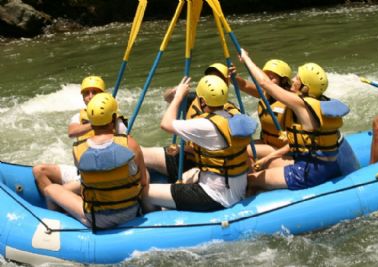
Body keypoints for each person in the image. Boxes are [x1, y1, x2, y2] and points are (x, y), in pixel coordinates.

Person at [239, 48, 350, 190]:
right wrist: (268, 158)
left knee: (250, 180)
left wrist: (246, 59)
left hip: (308, 172)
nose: (293, 80)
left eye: (297, 79)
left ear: (306, 87)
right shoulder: (319, 102)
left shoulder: (300, 105)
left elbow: (265, 84)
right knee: (266, 164)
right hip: (324, 164)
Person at [142, 75, 256, 212]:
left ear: (202, 101)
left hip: (213, 197)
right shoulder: (234, 118)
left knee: (144, 192)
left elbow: (165, 124)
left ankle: (157, 221)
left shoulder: (206, 125)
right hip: (235, 190)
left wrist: (178, 96)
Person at [40, 93, 147, 228]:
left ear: (90, 120)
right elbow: (143, 181)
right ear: (114, 117)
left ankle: (60, 228)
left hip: (98, 219)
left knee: (51, 189)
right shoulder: (130, 143)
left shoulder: (78, 149)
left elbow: (85, 181)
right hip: (131, 213)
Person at [33, 76, 128, 207]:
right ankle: (64, 207)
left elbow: (125, 145)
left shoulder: (115, 119)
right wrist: (97, 122)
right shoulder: (78, 116)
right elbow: (72, 132)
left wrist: (104, 119)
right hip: (80, 171)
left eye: (95, 92)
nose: (90, 96)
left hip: (100, 174)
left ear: (103, 95)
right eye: (86, 93)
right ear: (83, 97)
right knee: (39, 170)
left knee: (53, 192)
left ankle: (65, 205)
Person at [142, 63, 240, 182]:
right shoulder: (195, 99)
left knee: (139, 153)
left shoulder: (231, 113)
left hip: (198, 163)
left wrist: (184, 149)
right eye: (210, 78)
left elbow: (221, 148)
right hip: (188, 155)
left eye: (219, 79)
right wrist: (176, 92)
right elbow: (167, 98)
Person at [230, 59, 292, 164]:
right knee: (235, 145)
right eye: (265, 76)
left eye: (272, 78)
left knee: (241, 150)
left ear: (283, 80)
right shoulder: (265, 93)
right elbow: (244, 85)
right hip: (266, 142)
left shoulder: (291, 100)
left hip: (282, 148)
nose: (267, 81)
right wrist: (233, 77)